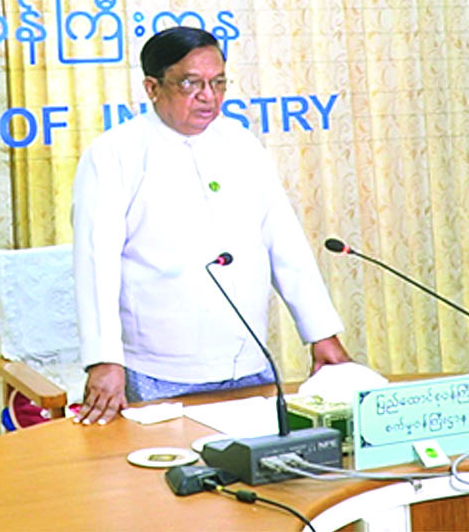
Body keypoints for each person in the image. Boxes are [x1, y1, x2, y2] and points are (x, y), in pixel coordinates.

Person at [72, 27, 350, 424]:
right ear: (152, 88)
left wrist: (321, 332)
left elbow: (284, 243)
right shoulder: (114, 154)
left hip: (248, 361)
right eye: (191, 84)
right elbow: (96, 264)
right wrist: (104, 359)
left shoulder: (240, 143)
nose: (209, 96)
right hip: (158, 371)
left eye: (218, 82)